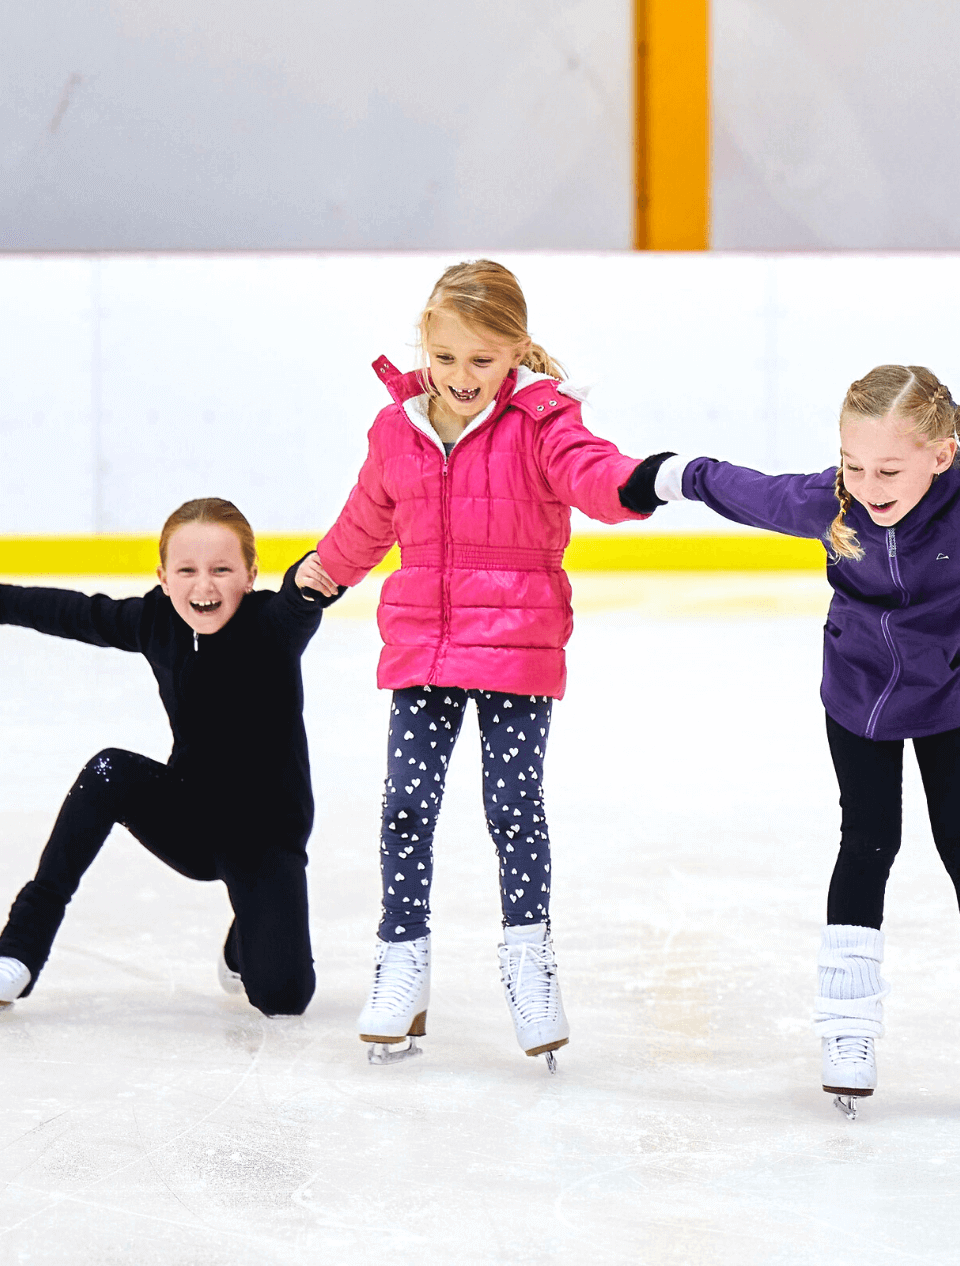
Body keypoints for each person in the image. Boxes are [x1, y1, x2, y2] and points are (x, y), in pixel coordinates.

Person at [619, 364, 960, 1114]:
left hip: (951, 696)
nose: (867, 484)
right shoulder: (836, 502)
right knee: (867, 841)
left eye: (889, 468)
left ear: (938, 454)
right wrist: (671, 476)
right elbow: (746, 490)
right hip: (857, 695)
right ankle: (846, 1026)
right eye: (852, 465)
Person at [295, 259, 647, 1069]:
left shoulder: (544, 422)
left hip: (519, 647)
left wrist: (636, 486)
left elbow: (592, 474)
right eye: (447, 357)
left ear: (516, 350)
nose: (462, 378)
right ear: (427, 342)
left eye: (483, 361)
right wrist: (323, 570)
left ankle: (529, 961)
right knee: (405, 808)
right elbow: (367, 518)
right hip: (421, 645)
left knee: (513, 808)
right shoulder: (396, 430)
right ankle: (402, 961)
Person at [0, 497, 338, 1018]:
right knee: (107, 769)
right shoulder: (156, 620)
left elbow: (298, 599)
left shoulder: (272, 625)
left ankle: (244, 933)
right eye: (186, 571)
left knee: (283, 999)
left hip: (265, 839)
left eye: (222, 570)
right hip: (190, 820)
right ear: (162, 576)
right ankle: (19, 949)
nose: (203, 587)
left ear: (250, 575)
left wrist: (306, 578)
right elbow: (75, 612)